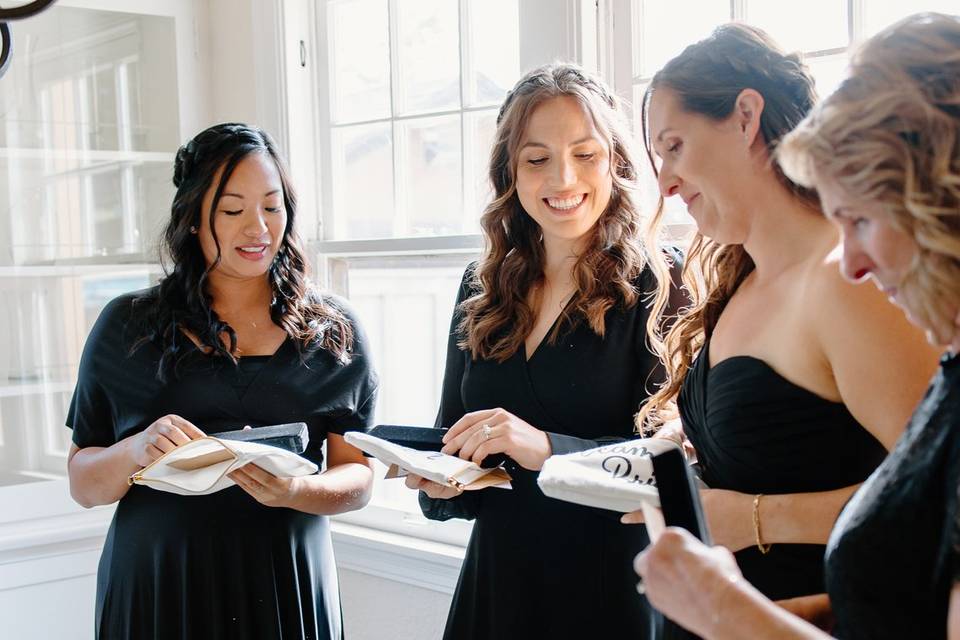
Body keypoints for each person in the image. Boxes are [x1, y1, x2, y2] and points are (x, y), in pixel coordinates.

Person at [634, 12, 960, 640]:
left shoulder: (848, 286)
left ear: (746, 117)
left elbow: (916, 513)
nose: (665, 184)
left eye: (673, 145)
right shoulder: (737, 288)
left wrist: (748, 533)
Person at [403, 63, 683, 639]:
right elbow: (452, 447)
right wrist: (438, 480)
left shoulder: (661, 281)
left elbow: (669, 467)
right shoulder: (480, 286)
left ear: (616, 162)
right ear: (509, 171)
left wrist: (548, 450)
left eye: (585, 154)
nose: (562, 178)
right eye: (537, 159)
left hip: (610, 590)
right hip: (497, 587)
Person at [65, 123, 377, 640]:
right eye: (233, 210)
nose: (257, 228)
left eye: (272, 207)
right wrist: (138, 450)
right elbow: (83, 484)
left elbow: (357, 477)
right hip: (161, 586)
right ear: (192, 218)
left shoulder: (334, 330)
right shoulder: (127, 326)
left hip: (287, 584)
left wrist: (296, 489)